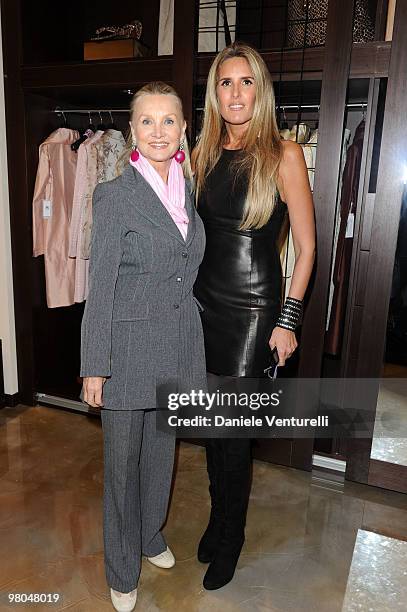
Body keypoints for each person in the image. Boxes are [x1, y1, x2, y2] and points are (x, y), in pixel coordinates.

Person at [193, 42, 316, 590]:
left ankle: (231, 535)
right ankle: (218, 521)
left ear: (259, 90)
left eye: (246, 82)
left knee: (232, 433)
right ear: (214, 93)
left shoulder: (283, 154)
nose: (235, 93)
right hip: (200, 304)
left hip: (252, 309)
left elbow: (308, 249)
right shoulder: (200, 152)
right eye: (225, 82)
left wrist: (287, 320)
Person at [80, 82, 207, 612]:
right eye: (147, 121)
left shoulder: (189, 187)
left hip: (177, 345)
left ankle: (151, 535)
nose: (159, 131)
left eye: (169, 120)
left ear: (183, 129)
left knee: (162, 456)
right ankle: (121, 566)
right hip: (127, 352)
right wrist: (94, 366)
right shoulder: (114, 195)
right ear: (132, 130)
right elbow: (100, 286)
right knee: (122, 468)